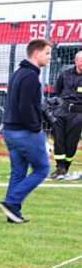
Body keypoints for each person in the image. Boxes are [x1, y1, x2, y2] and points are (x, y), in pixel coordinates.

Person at [0, 38, 52, 223]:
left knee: (18, 173)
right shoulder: (30, 77)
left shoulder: (18, 73)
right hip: (24, 132)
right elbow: (26, 107)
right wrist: (37, 129)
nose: (49, 58)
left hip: (10, 131)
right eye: (47, 53)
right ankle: (12, 201)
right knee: (42, 168)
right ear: (36, 54)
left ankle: (13, 214)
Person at [50, 50, 82, 179]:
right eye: (81, 60)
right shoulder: (65, 74)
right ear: (76, 61)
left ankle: (66, 166)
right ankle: (59, 167)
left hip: (78, 114)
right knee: (59, 140)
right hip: (61, 112)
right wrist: (54, 108)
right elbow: (55, 93)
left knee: (71, 142)